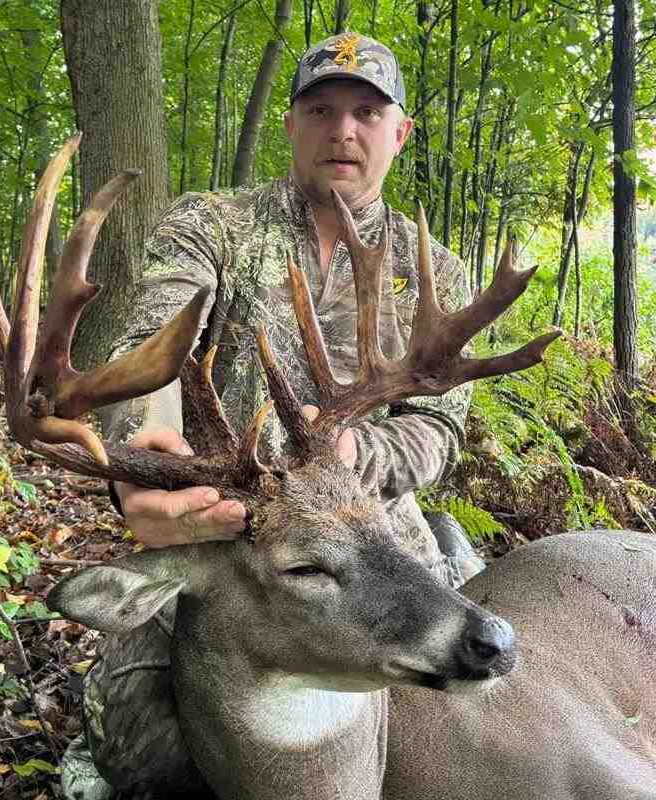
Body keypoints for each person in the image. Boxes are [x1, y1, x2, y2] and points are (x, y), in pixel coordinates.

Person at [61, 32, 485, 800]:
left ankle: (452, 552)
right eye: (321, 109)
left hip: (372, 528)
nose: (343, 130)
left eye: (365, 111)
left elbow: (440, 426)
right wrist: (144, 453)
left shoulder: (434, 272)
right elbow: (151, 346)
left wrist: (363, 454)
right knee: (136, 751)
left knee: (463, 718)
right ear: (292, 125)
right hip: (226, 529)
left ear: (400, 132)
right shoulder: (212, 226)